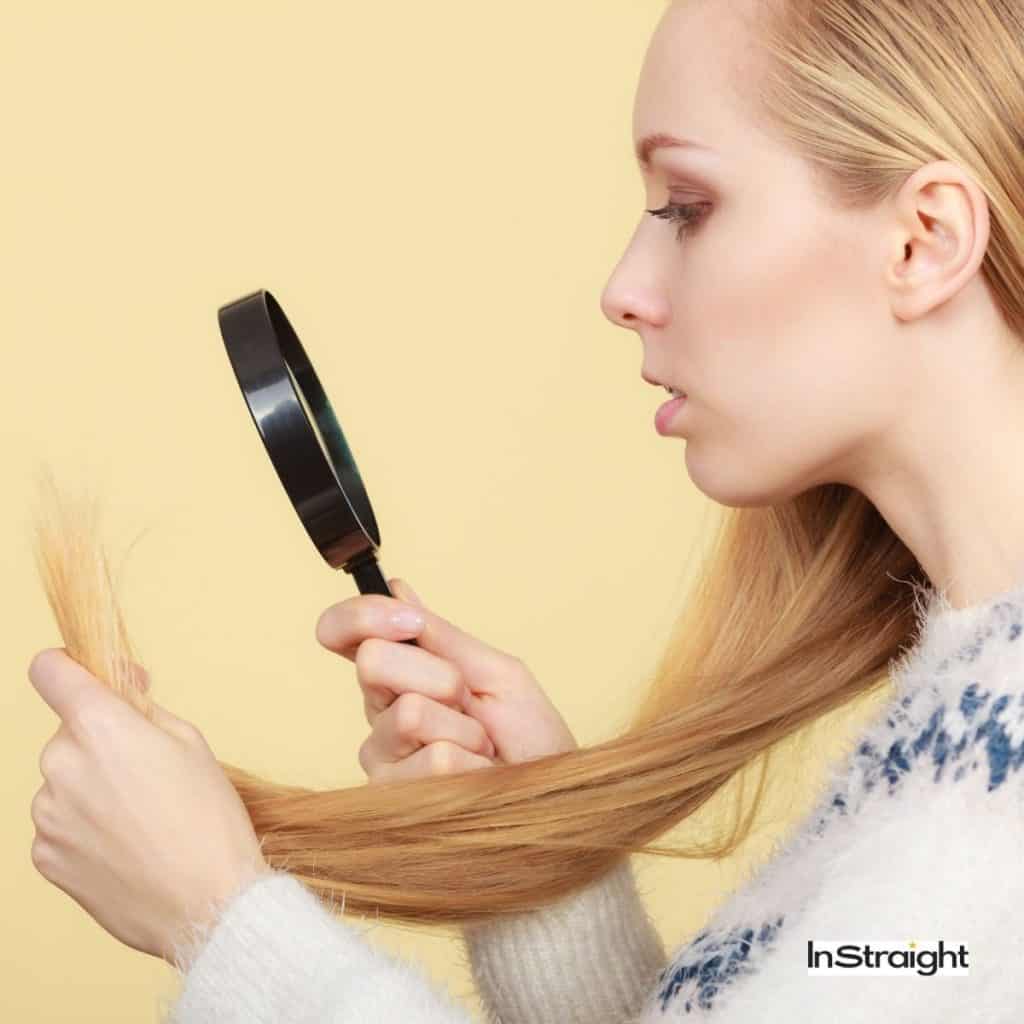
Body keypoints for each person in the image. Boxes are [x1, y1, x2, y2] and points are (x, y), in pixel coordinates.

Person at [163, 0, 1024, 1020]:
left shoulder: (992, 769)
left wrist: (216, 919)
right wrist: (546, 880)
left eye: (688, 205)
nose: (622, 289)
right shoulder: (966, 711)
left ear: (923, 240)